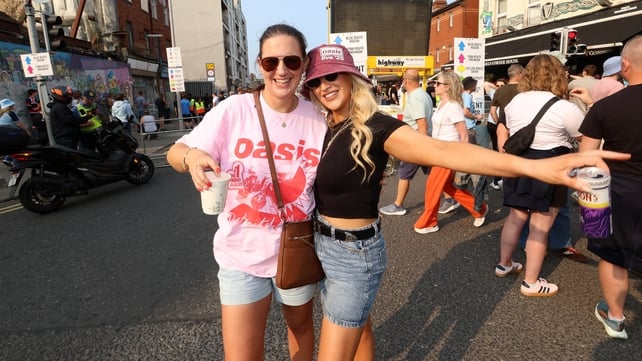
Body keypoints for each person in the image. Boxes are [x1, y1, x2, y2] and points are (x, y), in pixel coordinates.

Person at [303, 43, 628, 361]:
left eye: (332, 76)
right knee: (358, 329)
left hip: (353, 254)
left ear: (351, 78)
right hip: (323, 243)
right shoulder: (324, 125)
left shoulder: (378, 126)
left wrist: (531, 166)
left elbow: (445, 151)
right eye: (315, 81)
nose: (324, 87)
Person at [166, 24, 326, 360]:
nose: (281, 71)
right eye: (271, 63)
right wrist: (192, 155)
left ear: (303, 66)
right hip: (240, 257)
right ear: (259, 65)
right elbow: (175, 152)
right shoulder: (234, 110)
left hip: (296, 250)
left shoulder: (318, 118)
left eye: (291, 62)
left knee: (300, 331)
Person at [495, 54, 585, 297]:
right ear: (558, 75)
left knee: (515, 218)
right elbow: (584, 137)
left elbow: (507, 128)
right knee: (540, 227)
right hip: (550, 166)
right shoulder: (563, 107)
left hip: (519, 164)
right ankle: (531, 282)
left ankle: (504, 264)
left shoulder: (514, 102)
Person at [578, 35, 642, 340]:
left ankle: (615, 318)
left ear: (625, 65)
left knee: (614, 256)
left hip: (620, 189)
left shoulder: (605, 107)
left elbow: (587, 159)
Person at [413, 72, 489, 234]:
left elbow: (463, 134)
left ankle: (429, 221)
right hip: (439, 152)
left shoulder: (453, 106)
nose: (435, 85)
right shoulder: (442, 105)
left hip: (449, 153)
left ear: (447, 87)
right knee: (446, 186)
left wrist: (462, 158)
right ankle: (479, 208)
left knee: (433, 186)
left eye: (438, 83)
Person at [378, 69, 432, 216]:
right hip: (423, 141)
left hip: (416, 142)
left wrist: (421, 147)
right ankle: (451, 199)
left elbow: (422, 124)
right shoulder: (424, 95)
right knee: (434, 174)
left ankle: (398, 205)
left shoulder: (416, 98)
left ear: (406, 81)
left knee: (404, 174)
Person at [490, 64, 524, 189]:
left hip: (503, 124)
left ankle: (506, 182)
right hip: (520, 125)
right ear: (519, 74)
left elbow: (493, 111)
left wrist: (499, 122)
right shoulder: (524, 89)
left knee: (504, 155)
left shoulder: (499, 90)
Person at [0, 98, 31, 164]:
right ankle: (12, 159)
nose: (13, 106)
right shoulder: (11, 113)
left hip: (2, 133)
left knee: (7, 145)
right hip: (9, 132)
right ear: (9, 106)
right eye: (12, 105)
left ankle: (7, 157)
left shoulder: (1, 114)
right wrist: (27, 131)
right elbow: (19, 124)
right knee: (18, 143)